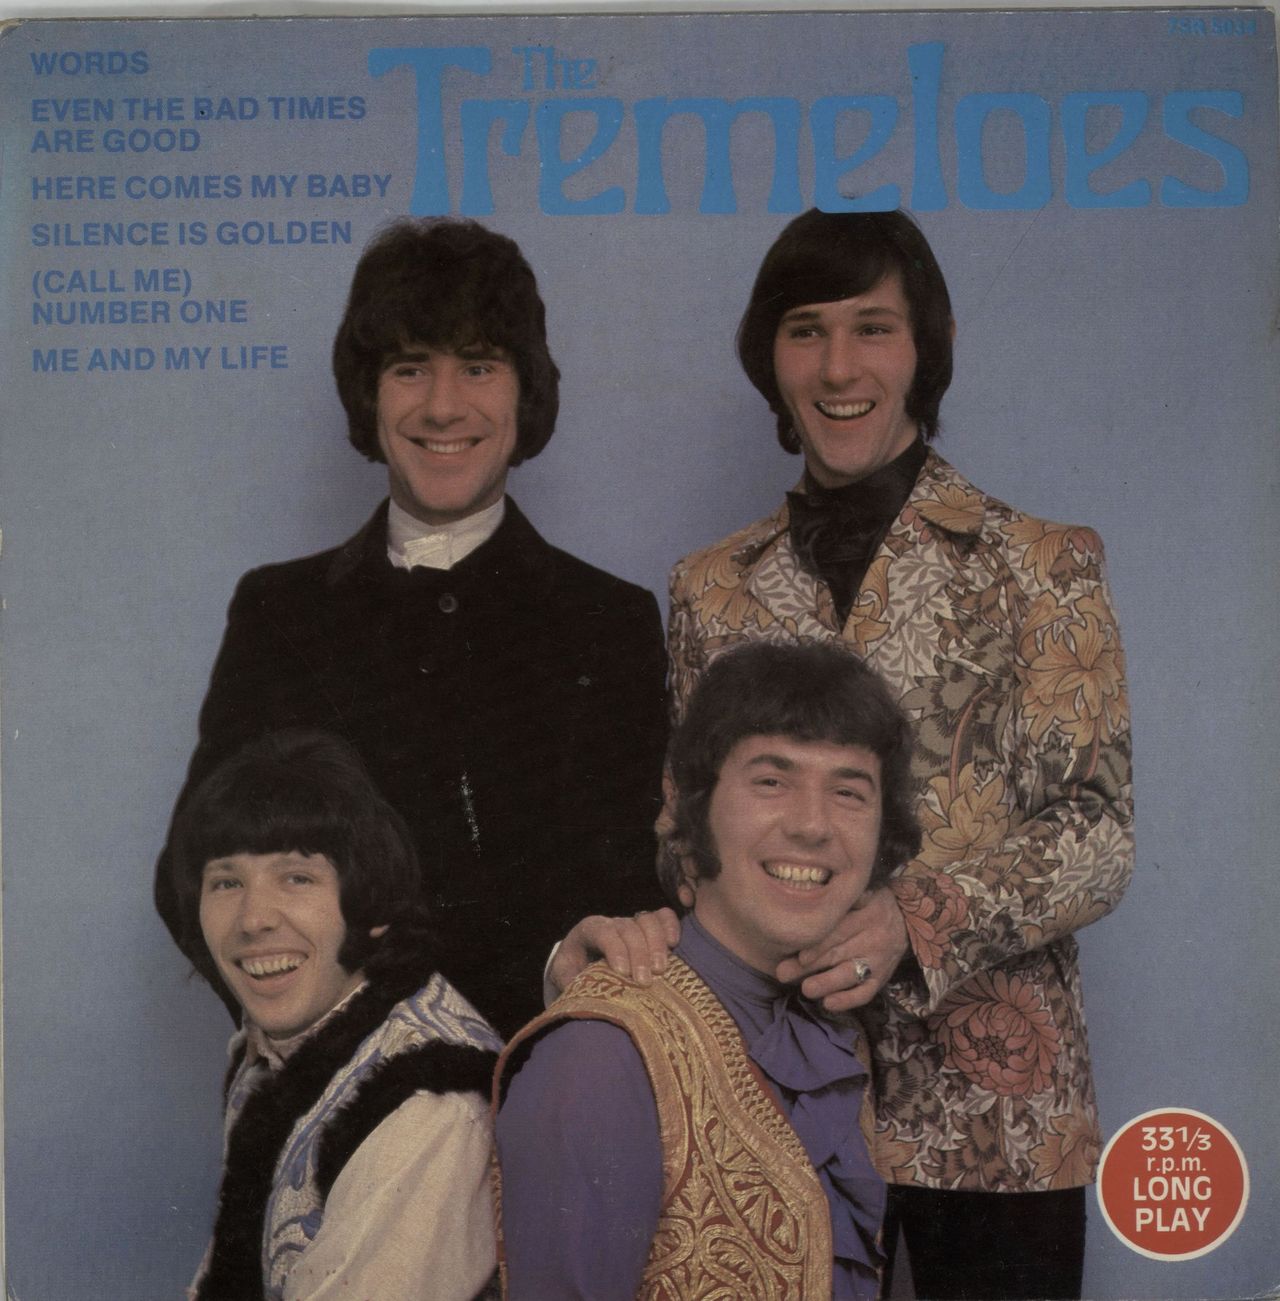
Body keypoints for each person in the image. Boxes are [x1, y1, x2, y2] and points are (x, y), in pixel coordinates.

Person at [557, 208, 1134, 1300]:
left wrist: (909, 919)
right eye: (805, 330)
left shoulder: (1042, 564)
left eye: (872, 328)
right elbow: (682, 836)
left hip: (998, 1118)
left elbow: (1096, 835)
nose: (837, 367)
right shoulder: (709, 588)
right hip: (764, 1098)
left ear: (927, 347)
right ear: (769, 359)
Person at [155, 217, 668, 1039]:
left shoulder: (612, 622)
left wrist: (551, 975)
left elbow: (630, 886)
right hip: (334, 1073)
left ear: (524, 391)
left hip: (545, 1069)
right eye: (409, 368)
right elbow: (191, 871)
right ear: (370, 392)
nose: (443, 406)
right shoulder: (277, 611)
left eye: (478, 366)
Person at [496, 641, 922, 1300]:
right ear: (695, 809)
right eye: (771, 781)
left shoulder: (837, 1034)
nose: (813, 825)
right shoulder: (602, 1057)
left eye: (848, 791)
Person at [167, 729, 501, 1301]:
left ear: (371, 901)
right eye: (226, 882)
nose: (252, 919)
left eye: (297, 878)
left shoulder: (428, 1104)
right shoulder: (270, 1049)